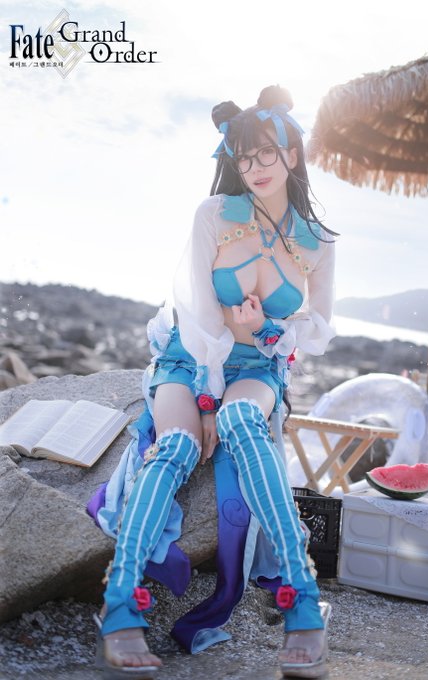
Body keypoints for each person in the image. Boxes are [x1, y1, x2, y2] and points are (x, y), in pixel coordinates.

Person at [93, 84, 336, 679]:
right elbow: (198, 312)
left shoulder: (319, 241)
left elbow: (319, 330)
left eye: (266, 152)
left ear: (292, 154)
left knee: (242, 418)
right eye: (243, 157)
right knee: (176, 445)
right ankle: (119, 605)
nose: (255, 167)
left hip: (257, 367)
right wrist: (204, 398)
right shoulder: (213, 216)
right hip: (190, 359)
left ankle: (304, 602)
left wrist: (270, 329)